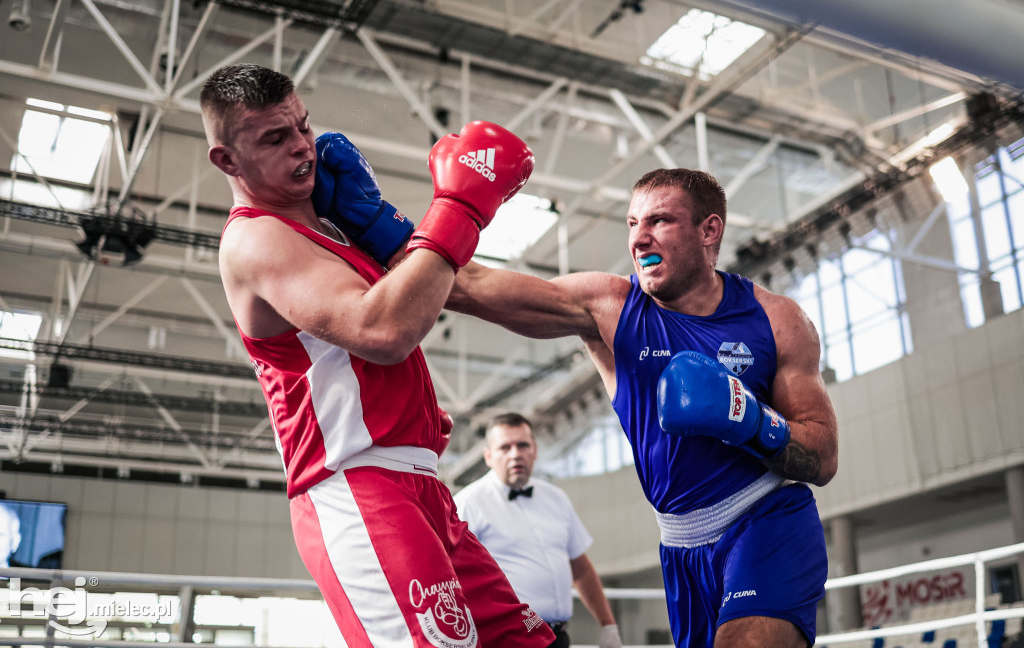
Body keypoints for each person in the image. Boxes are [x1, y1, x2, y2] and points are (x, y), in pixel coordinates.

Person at [315, 157, 839, 647]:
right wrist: (371, 220)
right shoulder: (610, 306)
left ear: (709, 230)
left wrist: (751, 421)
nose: (640, 238)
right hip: (681, 545)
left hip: (766, 518)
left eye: (659, 221)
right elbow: (466, 285)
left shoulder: (776, 320)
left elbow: (824, 457)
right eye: (632, 224)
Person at [203, 62, 556, 647]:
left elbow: (455, 287)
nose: (302, 148)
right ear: (227, 160)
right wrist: (459, 207)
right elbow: (385, 328)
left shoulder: (336, 231)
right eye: (274, 138)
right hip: (356, 486)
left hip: (422, 486)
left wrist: (381, 226)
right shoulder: (254, 238)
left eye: (303, 127)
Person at [454, 414, 623, 648]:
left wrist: (608, 625)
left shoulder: (556, 498)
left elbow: (581, 569)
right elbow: (451, 576)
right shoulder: (466, 504)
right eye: (505, 447)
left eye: (522, 445)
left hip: (558, 638)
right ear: (489, 456)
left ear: (534, 450)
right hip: (504, 640)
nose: (515, 454)